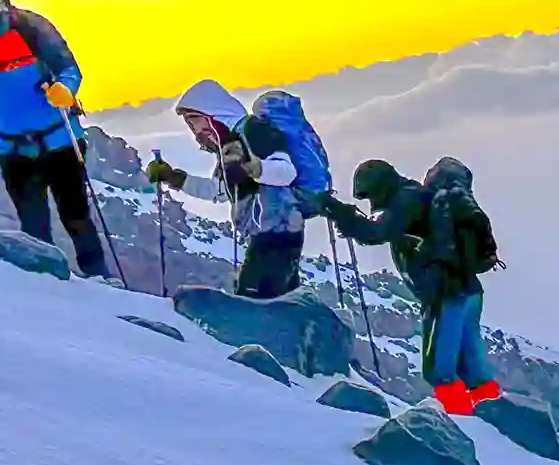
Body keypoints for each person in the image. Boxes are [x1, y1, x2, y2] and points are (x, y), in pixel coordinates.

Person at [313, 157, 501, 415]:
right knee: (472, 365)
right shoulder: (417, 198)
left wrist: (336, 210)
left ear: (382, 186)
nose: (371, 202)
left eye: (370, 194)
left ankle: (463, 418)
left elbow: (376, 232)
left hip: (447, 293)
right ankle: (494, 415)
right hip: (468, 290)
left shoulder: (406, 200)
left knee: (439, 370)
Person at [0, 0, 109, 278]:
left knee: (76, 216)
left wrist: (65, 88)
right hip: (15, 151)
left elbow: (68, 67)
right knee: (34, 225)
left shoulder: (32, 28)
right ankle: (45, 282)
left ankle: (97, 276)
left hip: (59, 141)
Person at [145, 81, 306, 298]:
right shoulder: (231, 144)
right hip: (271, 234)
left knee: (253, 302)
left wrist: (254, 169)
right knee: (280, 300)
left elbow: (287, 171)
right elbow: (218, 191)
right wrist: (173, 178)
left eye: (194, 122)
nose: (195, 131)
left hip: (276, 233)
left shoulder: (253, 131)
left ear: (211, 114)